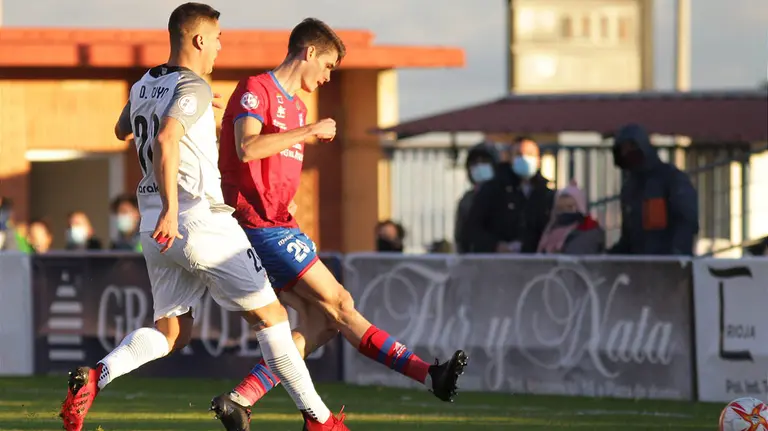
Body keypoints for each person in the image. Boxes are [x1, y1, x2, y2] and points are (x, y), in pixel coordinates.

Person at [58, 5, 346, 431]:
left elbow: (123, 129)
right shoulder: (192, 84)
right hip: (196, 219)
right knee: (274, 320)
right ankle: (321, 421)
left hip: (154, 227)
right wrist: (174, 208)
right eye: (217, 38)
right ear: (197, 40)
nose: (219, 47)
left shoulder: (146, 83)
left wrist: (184, 109)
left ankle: (97, 375)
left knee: (173, 333)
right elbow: (166, 137)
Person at [213, 17, 467, 430]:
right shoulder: (257, 89)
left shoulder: (297, 106)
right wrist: (308, 131)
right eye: (328, 65)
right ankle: (427, 375)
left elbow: (273, 170)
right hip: (257, 225)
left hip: (280, 224)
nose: (328, 77)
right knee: (342, 303)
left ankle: (242, 399)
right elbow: (247, 148)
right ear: (309, 52)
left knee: (323, 322)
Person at [608, 123, 699, 255]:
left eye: (632, 147)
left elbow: (686, 221)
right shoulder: (629, 188)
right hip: (639, 263)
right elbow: (628, 237)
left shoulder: (671, 178)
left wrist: (677, 256)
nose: (627, 153)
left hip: (667, 261)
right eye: (623, 150)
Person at [466, 137, 555, 253]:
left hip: (534, 259)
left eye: (530, 154)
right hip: (497, 259)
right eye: (518, 154)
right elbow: (473, 227)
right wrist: (495, 246)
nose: (524, 158)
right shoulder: (492, 189)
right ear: (510, 158)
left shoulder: (545, 192)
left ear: (538, 160)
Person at [536, 181, 604, 255]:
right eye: (560, 208)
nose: (565, 211)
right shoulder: (550, 230)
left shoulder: (588, 230)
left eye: (570, 207)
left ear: (580, 207)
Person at [454, 142, 499, 253]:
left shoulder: (504, 195)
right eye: (475, 163)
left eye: (484, 162)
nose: (479, 166)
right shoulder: (466, 200)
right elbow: (460, 237)